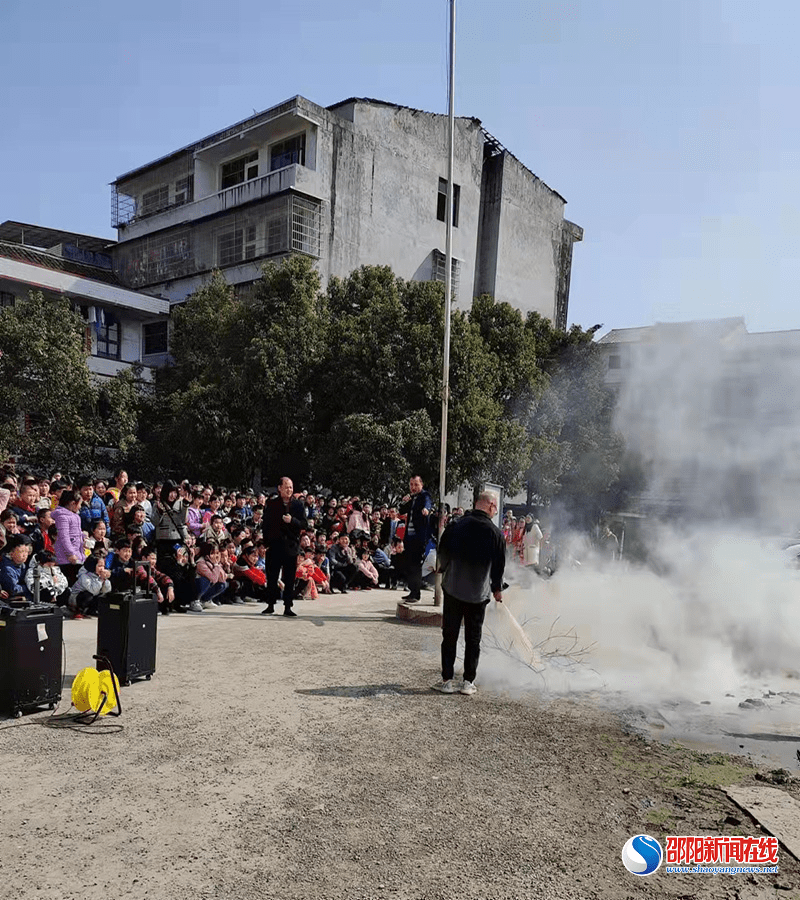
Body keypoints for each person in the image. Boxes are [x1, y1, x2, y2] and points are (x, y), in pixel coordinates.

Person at [433, 490, 505, 696]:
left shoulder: (456, 525)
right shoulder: (496, 534)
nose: (496, 510)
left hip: (453, 589)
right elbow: (499, 567)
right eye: (496, 507)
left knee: (450, 635)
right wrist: (497, 590)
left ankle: (447, 680)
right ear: (491, 506)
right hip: (478, 594)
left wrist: (442, 567)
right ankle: (467, 682)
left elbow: (443, 553)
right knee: (473, 639)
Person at [261, 477, 306, 617]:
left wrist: (292, 520)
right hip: (274, 545)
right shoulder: (272, 504)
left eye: (291, 487)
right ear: (279, 488)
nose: (289, 489)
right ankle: (270, 604)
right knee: (272, 577)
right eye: (286, 487)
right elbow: (266, 525)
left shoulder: (298, 505)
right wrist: (266, 543)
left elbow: (305, 524)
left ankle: (288, 606)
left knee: (289, 578)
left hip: (291, 546)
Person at [398, 475, 432, 603]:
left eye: (416, 484)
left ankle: (416, 594)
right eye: (411, 484)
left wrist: (426, 509)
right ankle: (412, 591)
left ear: (421, 484)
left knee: (416, 566)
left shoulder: (424, 495)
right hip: (409, 537)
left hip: (419, 537)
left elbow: (428, 502)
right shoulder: (411, 498)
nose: (413, 487)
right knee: (409, 564)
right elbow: (401, 510)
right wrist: (404, 501)